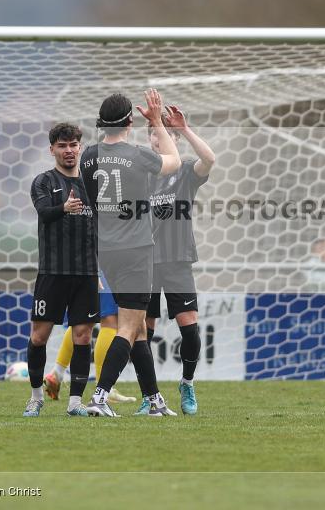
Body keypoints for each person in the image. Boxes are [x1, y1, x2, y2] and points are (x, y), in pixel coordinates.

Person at [86, 89, 181, 418]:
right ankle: (99, 397)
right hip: (137, 250)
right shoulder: (138, 155)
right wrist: (157, 122)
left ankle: (154, 400)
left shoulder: (88, 156)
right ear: (130, 121)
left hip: (105, 251)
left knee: (138, 325)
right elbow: (175, 162)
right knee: (128, 326)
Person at [138, 105, 215, 416]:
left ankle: (187, 383)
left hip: (178, 261)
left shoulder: (185, 172)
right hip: (145, 262)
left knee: (190, 329)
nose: (161, 139)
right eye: (157, 135)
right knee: (144, 330)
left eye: (167, 135)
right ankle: (149, 395)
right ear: (151, 141)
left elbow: (210, 159)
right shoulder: (141, 176)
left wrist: (183, 128)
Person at [24, 123, 98, 418]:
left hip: (87, 273)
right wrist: (64, 208)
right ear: (52, 149)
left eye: (73, 145)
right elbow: (43, 212)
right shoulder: (43, 181)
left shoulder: (92, 185)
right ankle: (35, 397)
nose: (69, 151)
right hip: (53, 272)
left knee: (82, 336)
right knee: (39, 336)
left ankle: (75, 402)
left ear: (80, 147)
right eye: (62, 146)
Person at [42, 271, 136, 404]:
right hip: (100, 263)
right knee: (110, 319)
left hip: (83, 266)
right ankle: (103, 388)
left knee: (84, 321)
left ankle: (57, 373)